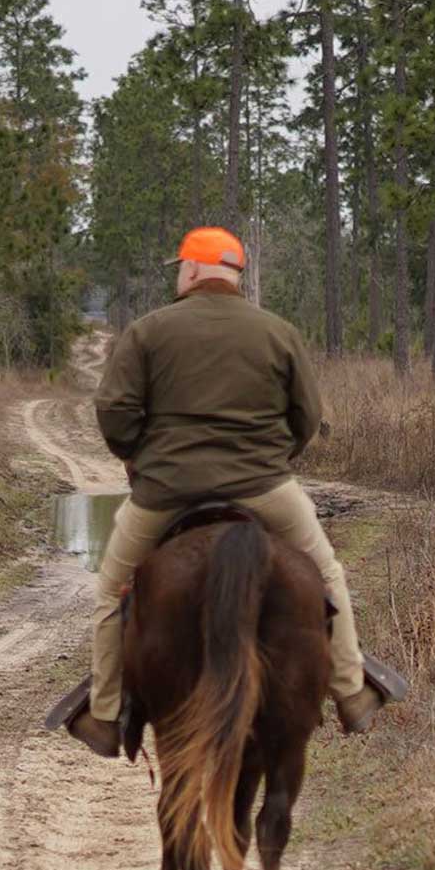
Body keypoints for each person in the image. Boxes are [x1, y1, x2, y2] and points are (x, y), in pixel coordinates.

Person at [52, 226, 398, 759]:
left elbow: (115, 412)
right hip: (262, 487)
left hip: (166, 490)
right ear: (236, 273)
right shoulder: (278, 332)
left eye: (180, 269)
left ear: (190, 270)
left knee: (110, 591)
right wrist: (272, 459)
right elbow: (306, 416)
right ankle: (351, 691)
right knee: (328, 572)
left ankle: (103, 714)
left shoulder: (147, 332)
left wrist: (139, 457)